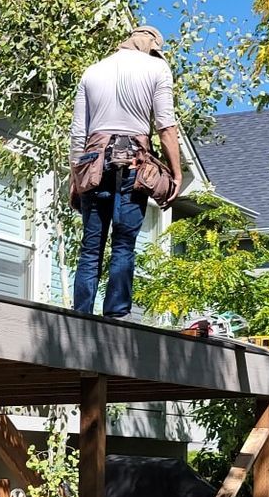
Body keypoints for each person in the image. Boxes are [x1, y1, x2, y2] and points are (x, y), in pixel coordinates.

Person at [67, 25, 185, 319]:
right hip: (134, 160)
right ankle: (116, 316)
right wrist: (176, 172)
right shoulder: (157, 69)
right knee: (123, 244)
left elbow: (78, 134)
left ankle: (81, 315)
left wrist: (75, 176)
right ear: (152, 46)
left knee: (91, 247)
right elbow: (166, 127)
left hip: (93, 162)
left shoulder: (92, 72)